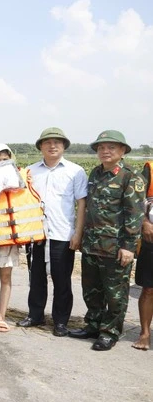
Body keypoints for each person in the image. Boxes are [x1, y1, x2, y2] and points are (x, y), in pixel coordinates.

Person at [69, 130, 145, 350]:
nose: (105, 151)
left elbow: (135, 215)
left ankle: (109, 331)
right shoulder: (95, 174)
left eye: (111, 147)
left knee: (115, 293)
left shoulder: (131, 177)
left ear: (122, 151)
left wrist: (129, 247)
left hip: (116, 247)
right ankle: (93, 324)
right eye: (101, 148)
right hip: (92, 244)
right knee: (91, 289)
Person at [19, 128, 88, 337]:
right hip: (36, 233)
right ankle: (35, 315)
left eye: (57, 142)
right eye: (47, 142)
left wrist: (78, 233)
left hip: (62, 234)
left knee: (62, 280)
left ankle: (60, 321)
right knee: (36, 277)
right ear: (40, 146)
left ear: (64, 146)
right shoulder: (30, 172)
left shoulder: (75, 171)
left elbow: (81, 204)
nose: (52, 146)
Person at [0, 144, 45, 333]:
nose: (2, 163)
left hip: (10, 238)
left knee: (6, 278)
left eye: (6, 159)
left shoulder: (21, 179)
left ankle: (1, 317)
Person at [133, 159, 153, 350]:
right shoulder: (150, 168)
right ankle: (145, 333)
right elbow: (138, 198)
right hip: (151, 236)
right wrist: (145, 222)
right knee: (148, 288)